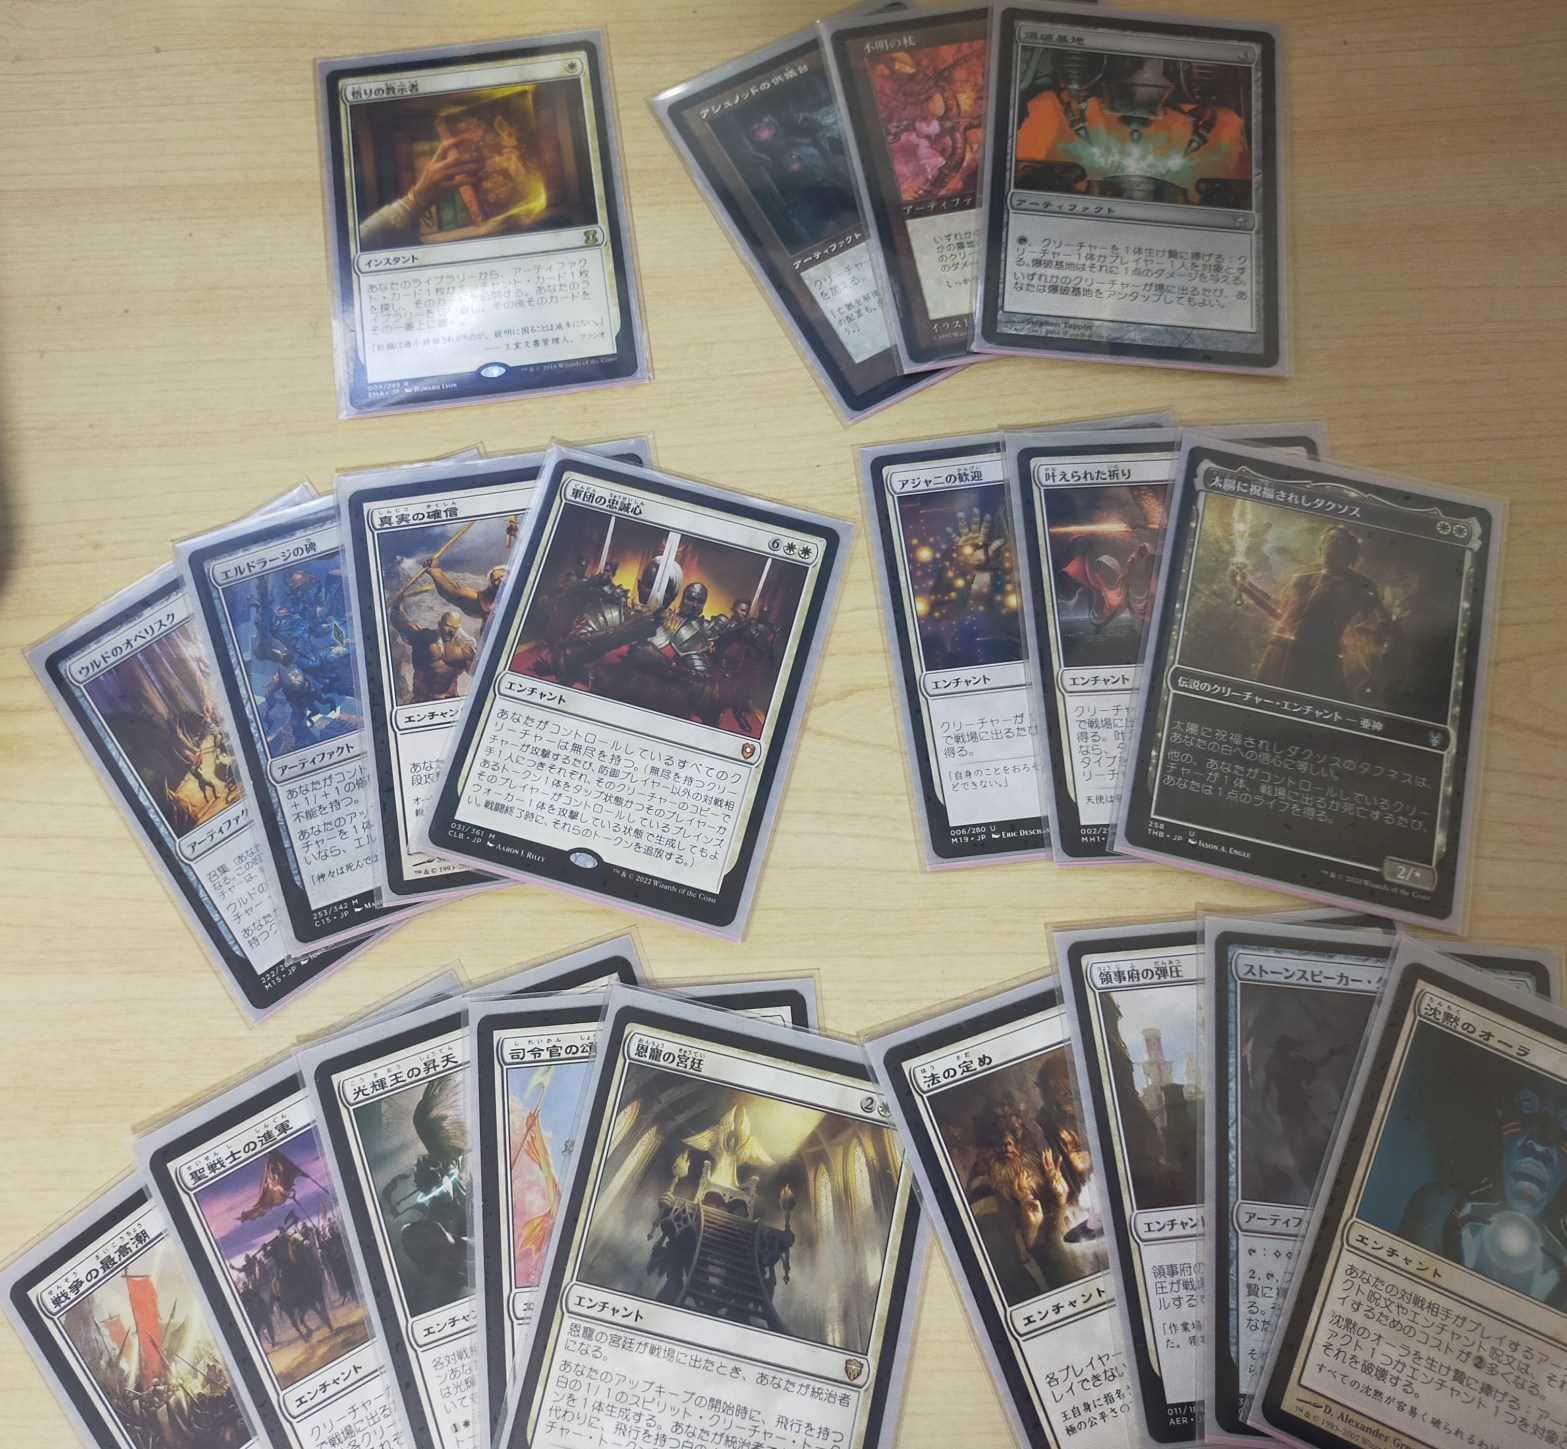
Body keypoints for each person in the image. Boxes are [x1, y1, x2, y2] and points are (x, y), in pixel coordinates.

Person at [1398, 1072, 1567, 1307]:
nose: (1540, 1142)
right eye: (1526, 1107)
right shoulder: (1438, 1211)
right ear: (1501, 1113)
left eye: (1565, 1125)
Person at [1228, 525, 1389, 701]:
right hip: (1280, 652)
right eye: (1329, 538)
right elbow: (1282, 613)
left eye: (1339, 541)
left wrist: (1375, 667)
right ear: (1321, 544)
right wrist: (1246, 587)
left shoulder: (1361, 586)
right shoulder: (1302, 573)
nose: (1331, 543)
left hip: (1317, 660)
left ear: (1349, 550)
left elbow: (1381, 626)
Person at [390, 601, 476, 704]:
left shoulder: (464, 651)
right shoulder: (424, 637)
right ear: (439, 624)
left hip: (449, 697)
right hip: (422, 695)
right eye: (448, 625)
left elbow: (478, 673)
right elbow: (400, 623)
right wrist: (397, 604)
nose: (451, 630)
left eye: (455, 627)